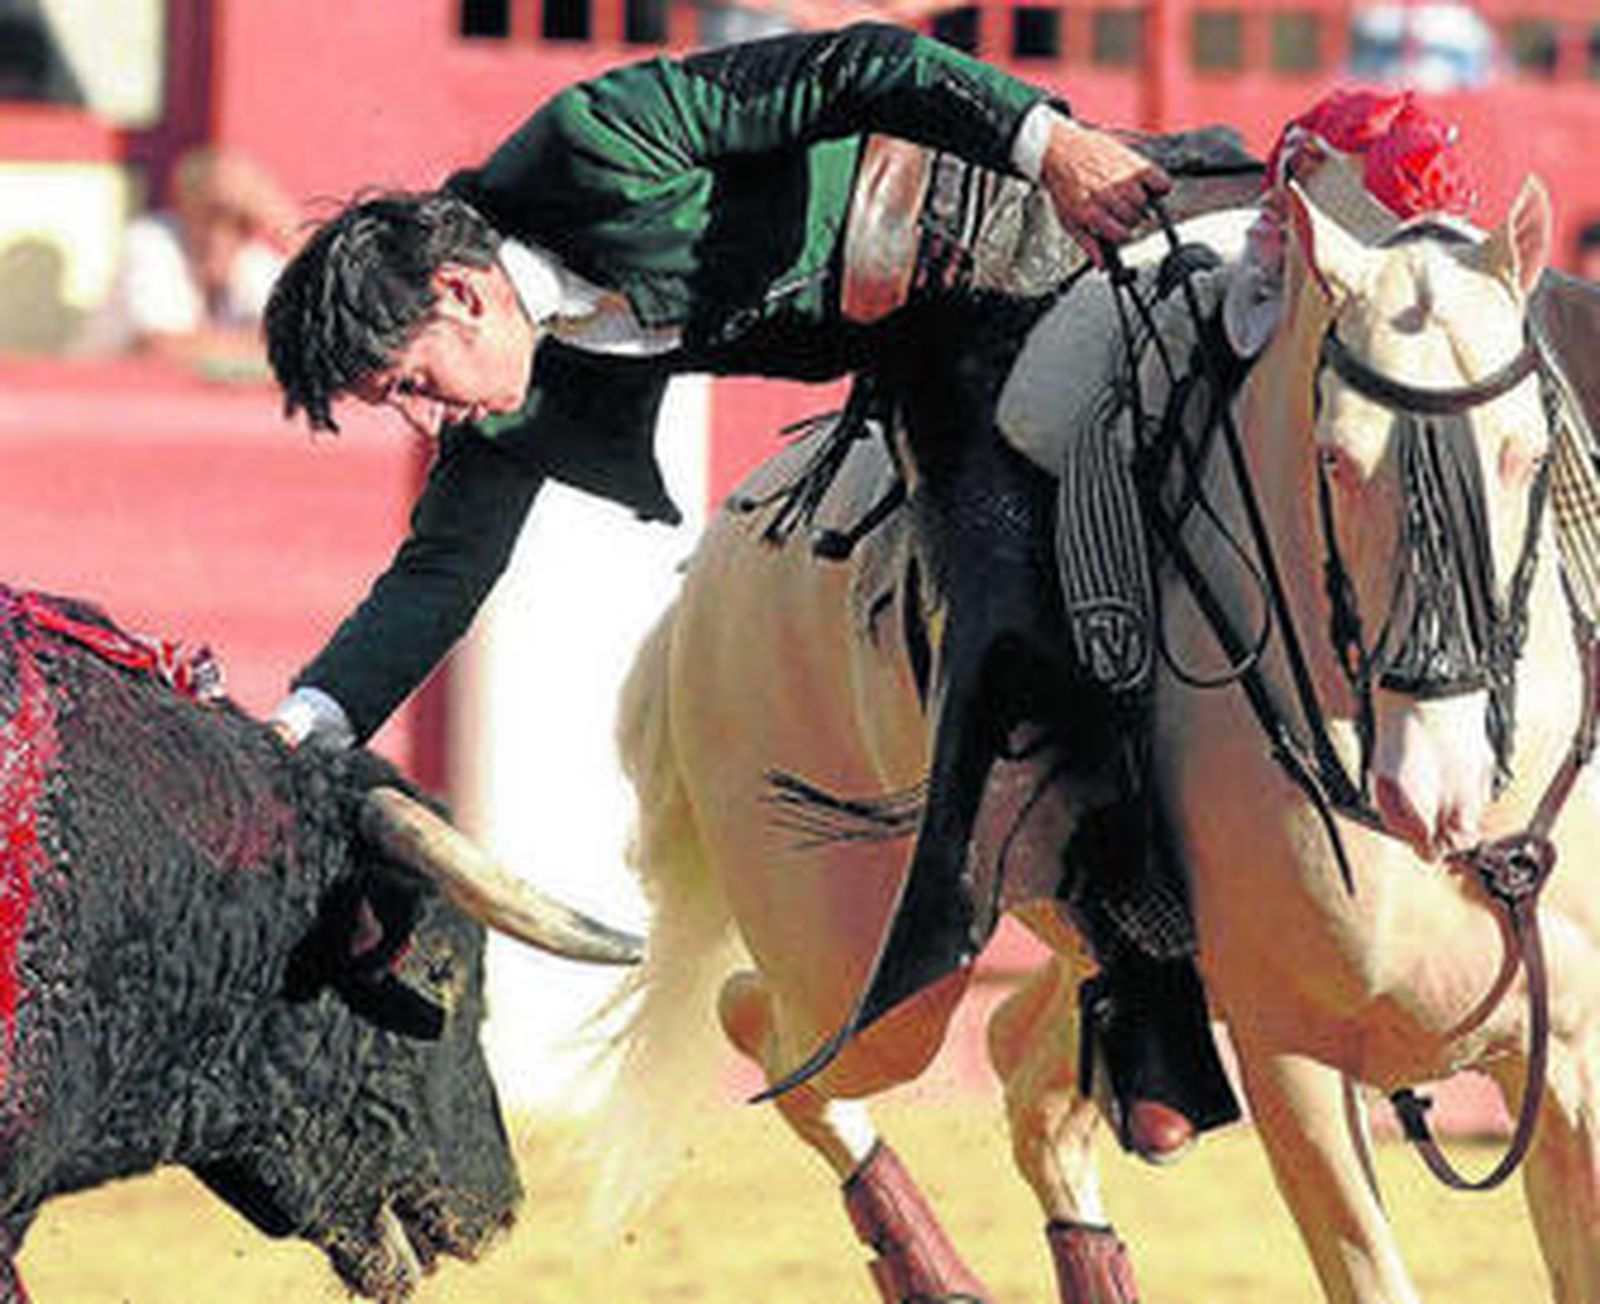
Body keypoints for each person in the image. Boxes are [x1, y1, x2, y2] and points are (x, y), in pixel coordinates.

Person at [264, 23, 1233, 1159]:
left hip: (1013, 215)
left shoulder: (590, 144)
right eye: (400, 403)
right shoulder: (512, 401)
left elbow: (851, 67)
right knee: (1002, 606)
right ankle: (1144, 970)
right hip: (936, 354)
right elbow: (437, 574)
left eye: (410, 382)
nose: (427, 418)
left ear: (460, 294)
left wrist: (1048, 144)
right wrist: (306, 725)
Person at [80, 147, 300, 372]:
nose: (224, 232)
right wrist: (259, 345)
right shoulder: (152, 240)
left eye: (243, 220)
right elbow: (163, 347)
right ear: (185, 207)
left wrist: (288, 229)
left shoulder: (251, 258)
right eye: (215, 213)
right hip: (105, 396)